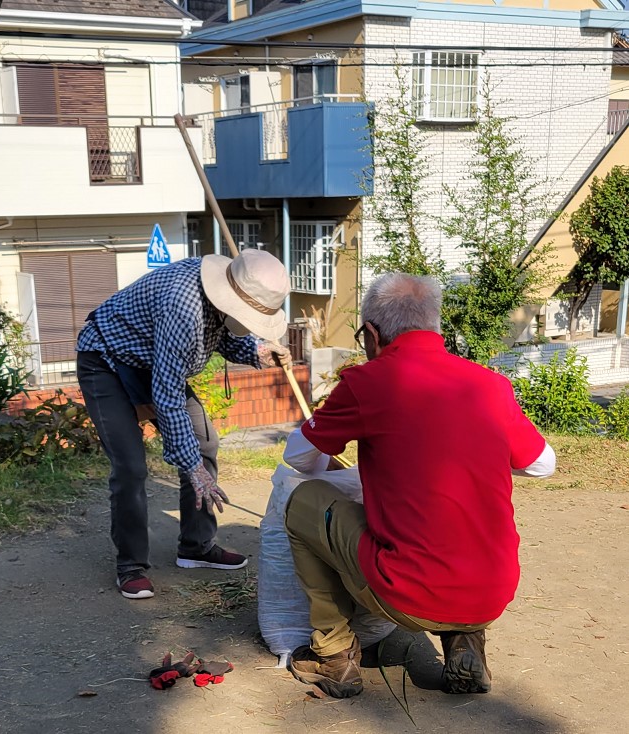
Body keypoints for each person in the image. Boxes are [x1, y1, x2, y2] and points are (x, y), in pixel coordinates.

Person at [282, 273, 556, 698]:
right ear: (436, 328)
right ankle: (465, 641)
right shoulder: (488, 385)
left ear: (371, 334)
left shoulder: (367, 382)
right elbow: (542, 465)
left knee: (302, 500)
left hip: (407, 595)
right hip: (492, 594)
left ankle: (333, 655)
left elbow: (297, 459)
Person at [76, 249, 291, 600]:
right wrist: (190, 466)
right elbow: (168, 395)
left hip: (153, 362)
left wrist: (258, 351)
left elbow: (223, 334)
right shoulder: (183, 307)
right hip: (107, 360)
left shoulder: (225, 291)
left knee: (205, 444)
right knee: (131, 466)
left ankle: (196, 546)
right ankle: (131, 566)